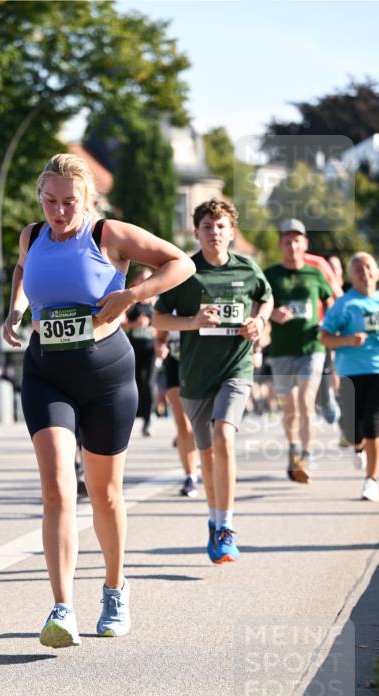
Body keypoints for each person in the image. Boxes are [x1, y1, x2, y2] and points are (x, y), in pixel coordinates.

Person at [3, 153, 194, 647]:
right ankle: (61, 607)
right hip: (47, 372)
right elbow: (25, 272)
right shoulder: (30, 235)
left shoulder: (107, 235)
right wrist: (15, 312)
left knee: (106, 494)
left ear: (88, 200)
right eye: (50, 201)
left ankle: (114, 587)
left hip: (106, 374)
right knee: (57, 487)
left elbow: (182, 263)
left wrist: (133, 295)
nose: (59, 212)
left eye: (69, 202)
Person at [152, 197, 273, 563]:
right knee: (206, 455)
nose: (214, 233)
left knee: (224, 437)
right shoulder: (185, 271)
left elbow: (265, 299)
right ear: (196, 232)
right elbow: (158, 319)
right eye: (207, 226)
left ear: (232, 232)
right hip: (195, 375)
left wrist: (260, 322)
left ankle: (227, 526)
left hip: (235, 369)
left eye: (221, 227)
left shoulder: (247, 269)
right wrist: (191, 322)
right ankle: (213, 518)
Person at [320, 253, 379, 501]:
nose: (363, 272)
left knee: (373, 420)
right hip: (351, 369)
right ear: (351, 275)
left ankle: (372, 480)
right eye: (357, 268)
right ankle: (358, 447)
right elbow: (325, 337)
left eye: (367, 267)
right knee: (352, 425)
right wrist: (348, 340)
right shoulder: (344, 304)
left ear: (377, 272)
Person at [265, 219, 334, 484]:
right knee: (291, 407)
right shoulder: (270, 275)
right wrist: (272, 313)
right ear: (281, 245)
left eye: (297, 241)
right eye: (287, 241)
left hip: (311, 346)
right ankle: (293, 448)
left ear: (305, 244)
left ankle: (307, 455)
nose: (292, 245)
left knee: (306, 401)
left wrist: (327, 325)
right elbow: (256, 306)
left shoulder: (315, 274)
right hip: (282, 349)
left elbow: (331, 302)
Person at [154, 330, 199, 497]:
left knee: (202, 425)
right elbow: (160, 335)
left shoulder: (208, 303)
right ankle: (190, 477)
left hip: (203, 367)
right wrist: (160, 345)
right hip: (175, 366)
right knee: (184, 424)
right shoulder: (168, 303)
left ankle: (215, 470)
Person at [122, 268, 158, 437]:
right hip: (132, 348)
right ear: (136, 282)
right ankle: (131, 416)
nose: (145, 282)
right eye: (142, 279)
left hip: (151, 349)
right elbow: (120, 322)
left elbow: (165, 327)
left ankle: (149, 418)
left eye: (148, 279)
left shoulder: (157, 302)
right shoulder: (131, 302)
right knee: (133, 383)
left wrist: (151, 325)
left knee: (148, 383)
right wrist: (133, 325)